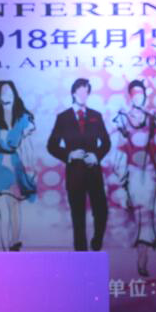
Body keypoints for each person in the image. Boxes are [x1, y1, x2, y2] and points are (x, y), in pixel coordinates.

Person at [47, 78, 111, 251]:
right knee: (78, 217)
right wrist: (69, 154)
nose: (83, 95)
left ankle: (97, 242)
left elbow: (106, 143)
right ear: (73, 93)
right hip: (75, 174)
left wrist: (96, 156)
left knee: (101, 211)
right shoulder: (63, 118)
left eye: (86, 92)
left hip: (94, 172)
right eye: (80, 91)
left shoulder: (96, 116)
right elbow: (51, 146)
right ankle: (81, 254)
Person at [113, 79, 156, 277]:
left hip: (149, 170)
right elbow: (119, 145)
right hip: (133, 170)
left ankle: (143, 258)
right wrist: (121, 175)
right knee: (138, 213)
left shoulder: (151, 117)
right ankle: (140, 255)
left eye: (142, 93)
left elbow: (153, 144)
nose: (139, 97)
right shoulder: (121, 118)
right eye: (135, 93)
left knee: (147, 212)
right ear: (130, 96)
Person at [0, 80, 36, 251]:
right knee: (3, 208)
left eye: (9, 93)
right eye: (2, 93)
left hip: (15, 163)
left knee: (14, 205)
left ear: (14, 95)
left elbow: (28, 146)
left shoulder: (23, 118)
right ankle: (5, 247)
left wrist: (31, 167)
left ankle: (14, 243)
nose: (6, 97)